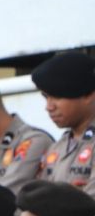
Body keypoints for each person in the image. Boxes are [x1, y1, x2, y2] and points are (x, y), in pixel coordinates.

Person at [33, 51, 95, 193]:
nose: (49, 107)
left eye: (57, 97)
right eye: (46, 97)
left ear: (88, 95)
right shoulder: (57, 147)